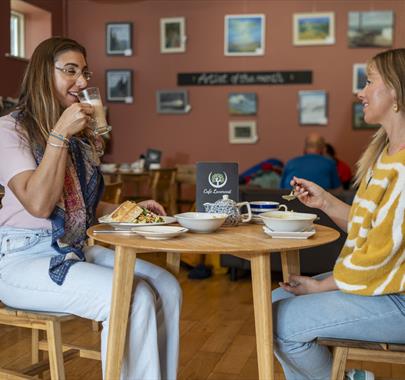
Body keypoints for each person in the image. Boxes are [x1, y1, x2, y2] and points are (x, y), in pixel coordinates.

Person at [0, 37, 181, 380]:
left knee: (167, 286)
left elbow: (81, 208)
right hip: (21, 260)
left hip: (72, 249)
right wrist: (59, 135)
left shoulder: (78, 138)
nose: (82, 82)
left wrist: (127, 210)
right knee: (131, 296)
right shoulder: (10, 130)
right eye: (71, 71)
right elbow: (39, 205)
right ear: (42, 73)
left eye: (84, 72)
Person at [272, 48, 405, 380]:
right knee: (275, 299)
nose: (360, 92)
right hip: (384, 288)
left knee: (278, 320)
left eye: (369, 82)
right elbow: (370, 227)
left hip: (398, 299)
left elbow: (378, 254)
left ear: (396, 91)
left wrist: (323, 287)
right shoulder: (384, 154)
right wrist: (325, 203)